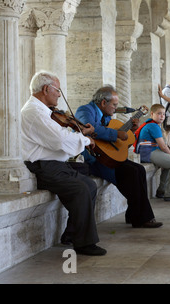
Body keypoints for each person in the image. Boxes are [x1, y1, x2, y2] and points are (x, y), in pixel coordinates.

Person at [21, 71, 106, 256]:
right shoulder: (34, 112)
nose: (60, 95)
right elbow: (60, 139)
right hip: (44, 167)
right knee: (81, 189)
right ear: (46, 89)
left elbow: (61, 137)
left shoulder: (44, 111)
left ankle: (72, 234)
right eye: (58, 90)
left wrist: (80, 136)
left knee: (90, 185)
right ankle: (84, 243)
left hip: (55, 165)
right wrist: (84, 139)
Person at [75, 85, 163, 229]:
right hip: (94, 159)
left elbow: (114, 143)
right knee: (131, 173)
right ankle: (141, 218)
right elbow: (89, 128)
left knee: (139, 169)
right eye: (114, 105)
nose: (116, 108)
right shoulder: (85, 110)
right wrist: (116, 134)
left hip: (106, 156)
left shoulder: (106, 116)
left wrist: (131, 131)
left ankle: (134, 214)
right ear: (104, 103)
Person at [136, 104, 170, 201]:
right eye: (159, 114)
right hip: (149, 153)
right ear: (152, 114)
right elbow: (163, 146)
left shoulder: (151, 124)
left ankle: (162, 190)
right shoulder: (153, 126)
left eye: (163, 114)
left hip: (148, 152)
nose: (162, 116)